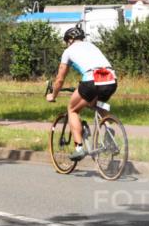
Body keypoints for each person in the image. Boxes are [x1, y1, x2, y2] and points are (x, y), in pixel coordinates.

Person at [46, 25, 117, 161]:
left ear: (70, 40)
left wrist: (53, 95)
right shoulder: (92, 46)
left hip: (91, 80)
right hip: (110, 78)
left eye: (67, 42)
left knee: (72, 109)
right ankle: (108, 127)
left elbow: (60, 79)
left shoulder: (68, 51)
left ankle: (79, 148)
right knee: (97, 103)